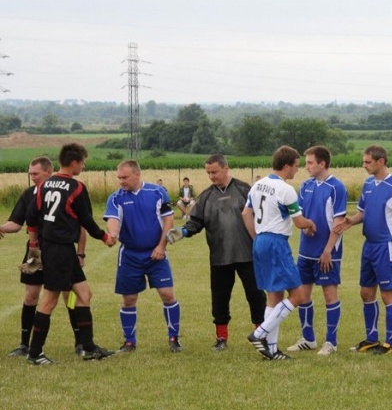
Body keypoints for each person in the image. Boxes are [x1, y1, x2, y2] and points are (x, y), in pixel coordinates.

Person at [24, 143, 116, 365]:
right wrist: (105, 237)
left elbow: (32, 216)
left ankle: (88, 347)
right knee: (50, 301)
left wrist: (36, 243)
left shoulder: (44, 185)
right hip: (59, 249)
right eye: (83, 162)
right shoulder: (76, 187)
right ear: (74, 163)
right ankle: (35, 353)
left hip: (58, 248)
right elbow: (86, 220)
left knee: (84, 295)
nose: (83, 166)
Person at [167, 154, 266, 351]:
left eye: (214, 172)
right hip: (220, 256)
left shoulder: (245, 190)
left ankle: (261, 335)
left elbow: (261, 216)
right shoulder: (205, 197)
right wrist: (183, 231)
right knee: (220, 297)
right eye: (208, 173)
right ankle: (221, 338)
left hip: (248, 254)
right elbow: (196, 222)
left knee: (256, 296)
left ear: (226, 168)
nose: (211, 176)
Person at [334, 145, 392, 355]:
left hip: (387, 246)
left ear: (381, 161)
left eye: (368, 162)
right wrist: (350, 221)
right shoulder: (368, 184)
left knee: (388, 295)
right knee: (366, 292)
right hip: (369, 246)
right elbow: (362, 212)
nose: (364, 166)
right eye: (364, 161)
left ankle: (391, 342)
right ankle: (371, 338)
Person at [1, 157, 82, 357]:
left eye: (35, 174)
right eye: (30, 174)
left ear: (49, 171)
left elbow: (81, 226)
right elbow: (16, 223)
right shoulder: (29, 194)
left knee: (68, 296)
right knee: (30, 295)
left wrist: (80, 253)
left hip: (60, 251)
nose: (32, 177)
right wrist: (1, 227)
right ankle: (24, 344)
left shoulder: (63, 191)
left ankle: (80, 341)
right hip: (34, 251)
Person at [244, 146, 317, 360]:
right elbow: (298, 221)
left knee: (274, 296)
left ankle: (273, 350)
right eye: (295, 166)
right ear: (286, 166)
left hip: (260, 241)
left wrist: (257, 237)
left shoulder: (257, 185)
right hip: (276, 242)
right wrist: (311, 223)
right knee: (299, 295)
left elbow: (245, 213)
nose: (297, 170)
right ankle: (260, 333)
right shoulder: (285, 189)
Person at [105, 160, 182, 353]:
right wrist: (112, 234)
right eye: (119, 178)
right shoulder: (115, 198)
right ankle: (129, 341)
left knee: (167, 294)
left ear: (137, 175)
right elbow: (113, 220)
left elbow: (168, 220)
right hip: (130, 255)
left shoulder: (156, 192)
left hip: (156, 253)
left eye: (125, 177)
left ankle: (174, 338)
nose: (121, 181)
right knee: (129, 299)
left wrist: (161, 246)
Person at [287, 146, 348, 356]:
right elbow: (300, 215)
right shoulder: (306, 185)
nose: (306, 167)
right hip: (305, 252)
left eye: (310, 162)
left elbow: (338, 222)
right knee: (302, 295)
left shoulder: (336, 187)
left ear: (322, 164)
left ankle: (331, 342)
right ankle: (308, 338)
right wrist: (306, 225)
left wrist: (328, 250)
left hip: (327, 252)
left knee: (329, 295)